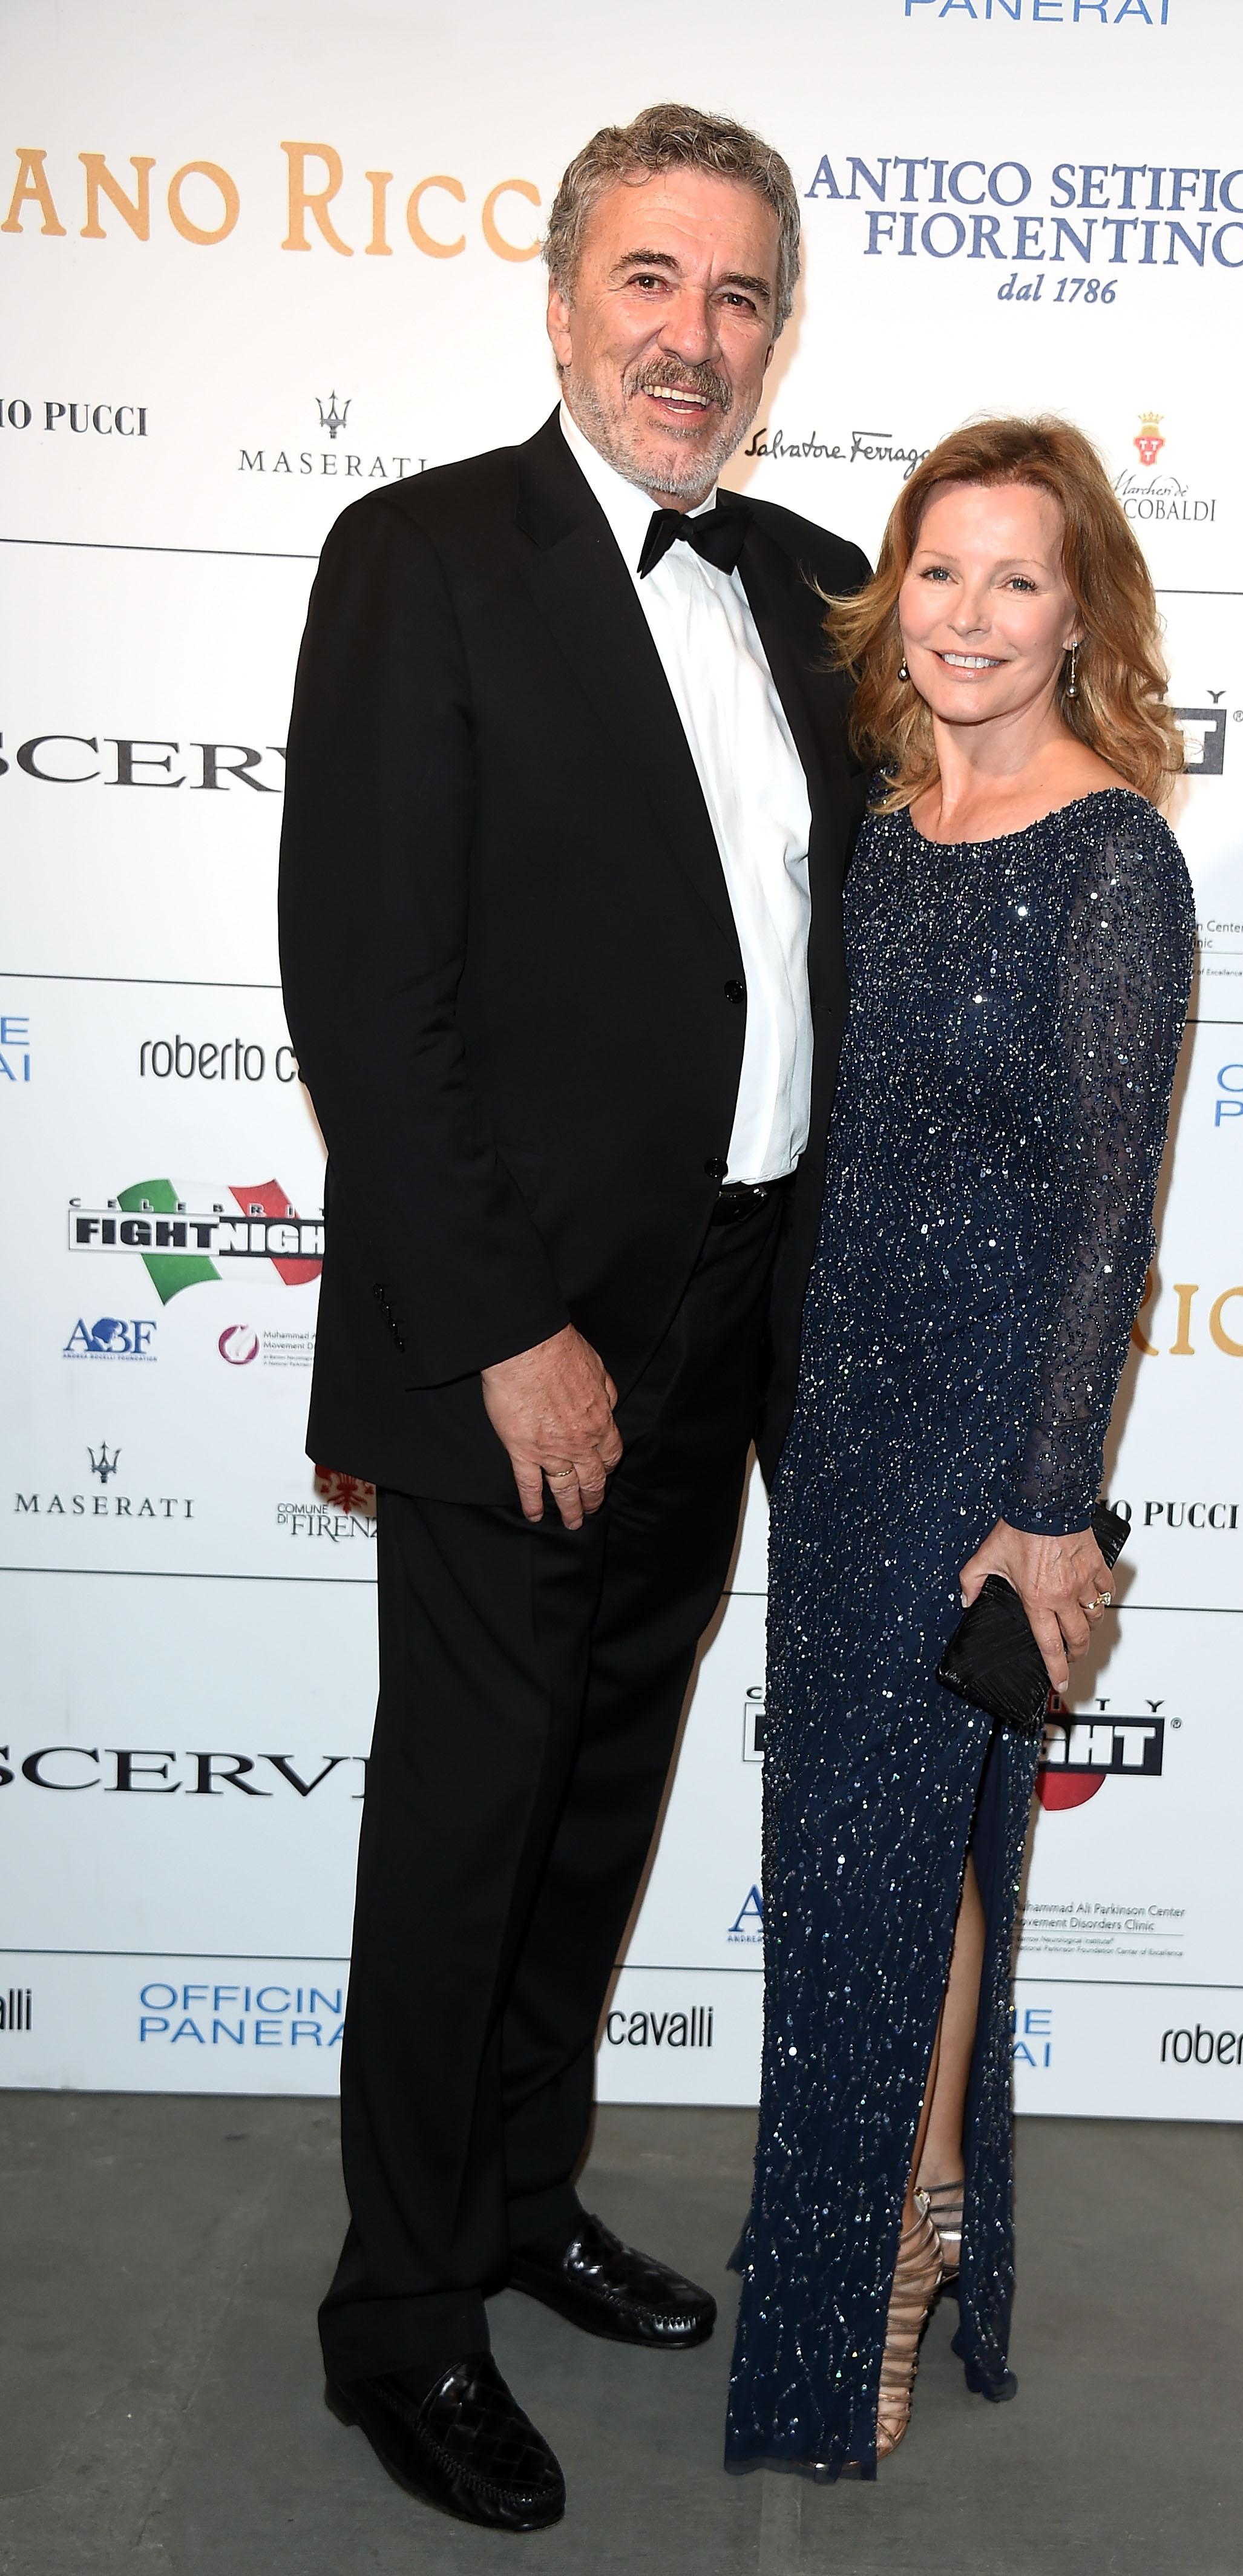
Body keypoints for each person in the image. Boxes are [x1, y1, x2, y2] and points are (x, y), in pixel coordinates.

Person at [277, 104, 870, 2533]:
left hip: (729, 1311)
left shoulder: (817, 585)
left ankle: (520, 2195)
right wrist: (510, 1320)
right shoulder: (421, 557)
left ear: (777, 334)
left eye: (737, 297)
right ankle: (397, 2310)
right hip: (516, 1332)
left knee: (601, 1805)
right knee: (462, 1820)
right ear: (559, 302)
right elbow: (368, 981)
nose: (691, 337)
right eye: (651, 282)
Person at [724, 418, 1195, 2478]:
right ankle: (900, 2208)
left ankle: (890, 2246)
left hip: (984, 1425)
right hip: (834, 1406)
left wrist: (1047, 1505)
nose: (973, 618)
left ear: (1079, 611)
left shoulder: (1114, 858)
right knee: (868, 1844)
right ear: (890, 590)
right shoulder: (889, 828)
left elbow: (1114, 1205)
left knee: (891, 1848)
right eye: (941, 572)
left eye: (1019, 581)